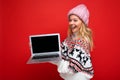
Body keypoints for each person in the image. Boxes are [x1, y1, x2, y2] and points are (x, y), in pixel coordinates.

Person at [52, 4, 94, 80]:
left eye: (75, 20)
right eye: (70, 20)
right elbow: (59, 53)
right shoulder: (70, 39)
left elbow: (71, 68)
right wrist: (41, 50)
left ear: (83, 23)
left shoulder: (82, 42)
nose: (71, 23)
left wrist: (57, 60)